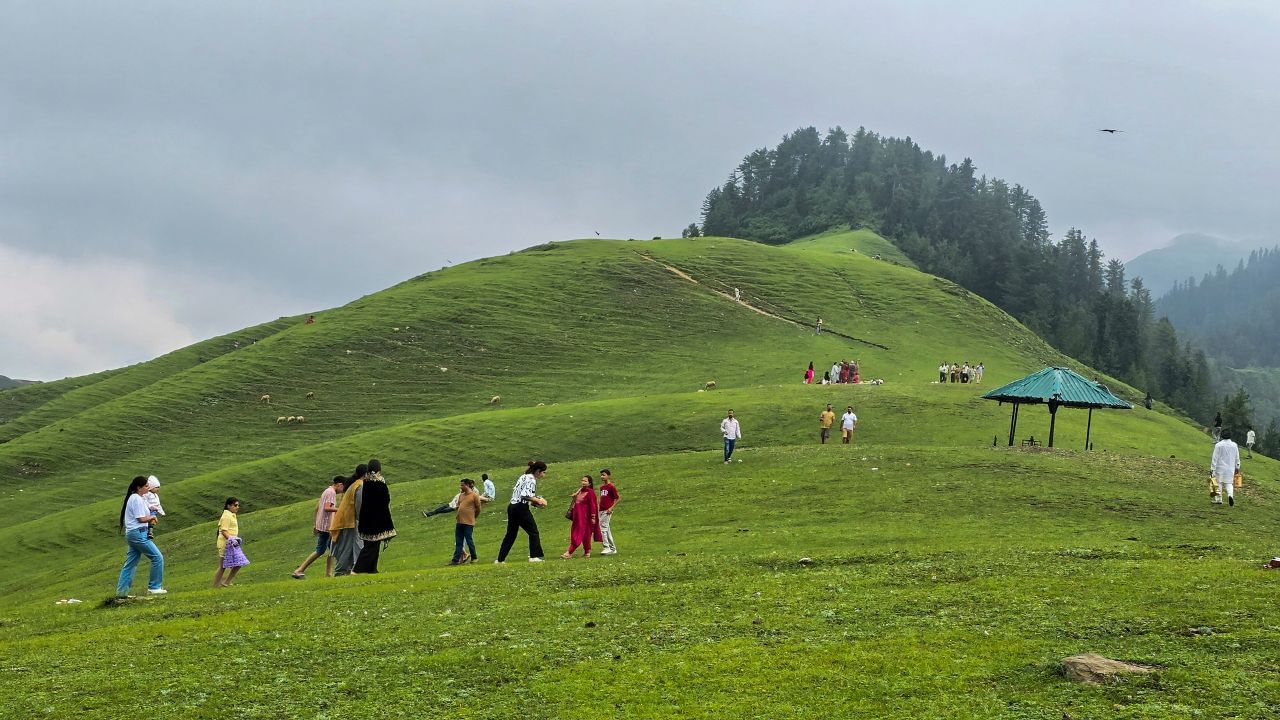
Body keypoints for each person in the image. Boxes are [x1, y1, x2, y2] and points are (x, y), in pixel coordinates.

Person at [116, 476, 166, 597]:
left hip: (134, 534)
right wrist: (152, 517)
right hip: (138, 534)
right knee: (157, 558)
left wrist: (151, 509)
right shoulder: (136, 499)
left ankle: (121, 593)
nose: (148, 488)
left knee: (130, 564)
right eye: (146, 486)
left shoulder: (137, 498)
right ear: (139, 488)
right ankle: (154, 587)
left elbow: (144, 511)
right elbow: (141, 518)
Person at [496, 460, 550, 563]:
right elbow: (524, 495)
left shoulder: (524, 476)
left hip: (512, 506)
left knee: (511, 534)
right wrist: (539, 500)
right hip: (520, 507)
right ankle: (534, 556)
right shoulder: (531, 479)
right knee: (533, 532)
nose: (544, 474)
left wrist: (534, 501)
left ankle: (500, 559)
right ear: (538, 471)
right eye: (543, 472)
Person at [293, 476, 344, 579]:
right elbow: (327, 508)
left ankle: (328, 574)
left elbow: (317, 507)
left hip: (323, 526)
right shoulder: (331, 493)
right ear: (340, 484)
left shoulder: (326, 491)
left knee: (331, 550)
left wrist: (316, 523)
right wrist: (341, 509)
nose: (343, 490)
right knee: (322, 550)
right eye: (343, 487)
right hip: (326, 527)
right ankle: (299, 570)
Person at [354, 459, 396, 574]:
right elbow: (386, 499)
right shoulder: (379, 481)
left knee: (371, 544)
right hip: (376, 519)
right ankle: (357, 570)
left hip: (366, 518)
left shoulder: (366, 481)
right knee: (371, 546)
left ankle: (372, 569)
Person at [330, 464, 367, 576]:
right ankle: (341, 572)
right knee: (349, 548)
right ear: (365, 474)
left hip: (347, 521)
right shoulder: (359, 485)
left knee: (352, 546)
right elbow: (359, 506)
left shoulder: (354, 484)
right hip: (350, 521)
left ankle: (353, 570)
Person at [562, 475, 602, 558]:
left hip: (584, 518)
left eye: (585, 481)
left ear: (589, 483)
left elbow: (593, 506)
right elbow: (576, 502)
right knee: (586, 534)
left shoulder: (590, 493)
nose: (583, 482)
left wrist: (593, 517)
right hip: (578, 517)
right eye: (582, 480)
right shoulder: (580, 490)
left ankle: (569, 552)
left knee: (577, 534)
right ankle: (587, 552)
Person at [450, 478, 485, 565]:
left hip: (468, 522)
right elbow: (459, 505)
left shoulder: (474, 496)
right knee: (459, 541)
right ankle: (455, 560)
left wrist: (473, 517)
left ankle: (474, 557)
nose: (460, 487)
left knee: (469, 540)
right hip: (459, 521)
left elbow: (478, 508)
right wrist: (457, 508)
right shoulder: (461, 495)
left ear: (467, 485)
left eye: (462, 485)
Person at [214, 497, 244, 588]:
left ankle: (225, 582)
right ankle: (217, 585)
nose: (237, 507)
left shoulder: (231, 515)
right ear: (228, 506)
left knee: (237, 563)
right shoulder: (226, 516)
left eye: (238, 505)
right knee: (223, 566)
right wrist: (232, 539)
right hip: (226, 544)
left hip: (231, 543)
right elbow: (224, 531)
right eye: (235, 505)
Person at [1210, 429, 1241, 506]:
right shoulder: (1234, 445)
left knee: (1218, 483)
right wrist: (1237, 466)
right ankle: (1230, 495)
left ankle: (1218, 499)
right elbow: (1237, 457)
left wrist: (1212, 468)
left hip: (1220, 467)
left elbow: (1215, 458)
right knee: (1229, 483)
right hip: (1230, 468)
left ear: (1222, 436)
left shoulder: (1218, 445)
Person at [597, 468, 620, 556]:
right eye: (601, 475)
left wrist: (611, 508)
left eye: (603, 475)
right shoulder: (602, 487)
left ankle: (606, 547)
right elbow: (602, 499)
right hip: (601, 510)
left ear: (608, 476)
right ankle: (613, 549)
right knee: (607, 529)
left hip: (607, 511)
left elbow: (618, 498)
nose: (602, 476)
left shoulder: (611, 486)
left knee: (602, 528)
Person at [142, 475, 165, 540]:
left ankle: (150, 531)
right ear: (151, 487)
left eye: (158, 487)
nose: (158, 489)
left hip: (154, 511)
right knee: (151, 520)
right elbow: (144, 501)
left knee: (152, 521)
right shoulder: (147, 494)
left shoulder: (156, 496)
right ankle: (149, 532)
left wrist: (162, 512)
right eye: (156, 487)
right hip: (149, 510)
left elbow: (158, 505)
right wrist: (150, 506)